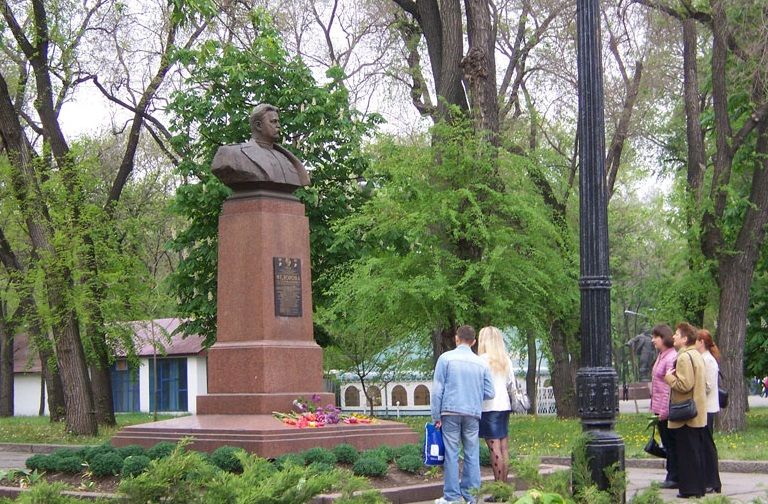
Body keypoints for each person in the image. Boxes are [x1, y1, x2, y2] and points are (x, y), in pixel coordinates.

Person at [432, 325, 495, 504]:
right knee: (472, 453)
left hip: (450, 411)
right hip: (473, 413)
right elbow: (490, 392)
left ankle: (451, 497)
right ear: (474, 342)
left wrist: (436, 416)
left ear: (456, 339)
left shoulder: (445, 359)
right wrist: (473, 394)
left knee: (451, 453)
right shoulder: (481, 363)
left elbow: (437, 390)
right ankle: (471, 496)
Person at [665, 322, 721, 498]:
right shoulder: (697, 355)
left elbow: (685, 384)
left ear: (684, 338)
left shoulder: (684, 357)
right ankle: (698, 488)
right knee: (695, 451)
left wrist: (670, 379)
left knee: (686, 452)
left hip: (686, 414)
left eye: (676, 334)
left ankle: (689, 489)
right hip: (697, 412)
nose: (673, 336)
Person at [211, 103, 311, 192]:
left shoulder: (286, 158)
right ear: (258, 125)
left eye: (278, 122)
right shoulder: (231, 154)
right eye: (273, 122)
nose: (279, 126)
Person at [477, 326, 514, 485]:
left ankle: (499, 487)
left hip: (488, 407)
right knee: (504, 447)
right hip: (504, 405)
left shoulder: (481, 361)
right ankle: (504, 486)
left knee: (494, 449)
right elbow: (511, 383)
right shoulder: (505, 359)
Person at [650, 323, 678, 489]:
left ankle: (674, 475)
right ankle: (671, 473)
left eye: (656, 337)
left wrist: (665, 410)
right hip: (658, 408)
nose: (653, 340)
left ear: (664, 338)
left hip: (665, 409)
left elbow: (669, 386)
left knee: (670, 443)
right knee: (667, 443)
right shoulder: (662, 355)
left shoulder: (671, 357)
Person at [696, 329, 721, 433]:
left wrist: (694, 394)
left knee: (706, 441)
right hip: (701, 407)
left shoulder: (708, 360)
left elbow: (708, 386)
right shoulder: (701, 358)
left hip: (707, 408)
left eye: (695, 341)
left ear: (701, 342)